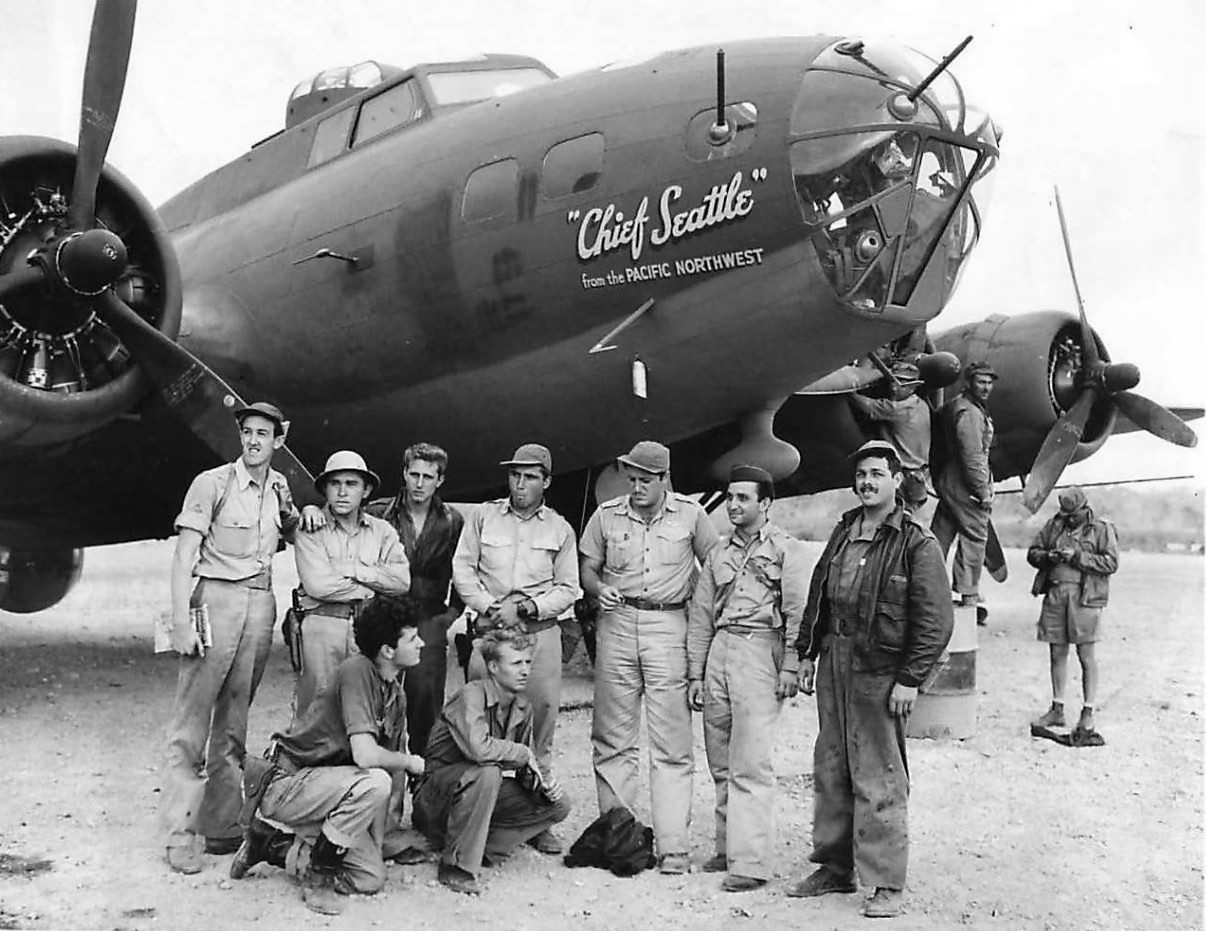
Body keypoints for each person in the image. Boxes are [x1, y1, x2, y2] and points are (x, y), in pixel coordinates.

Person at [788, 440, 953, 919]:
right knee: (832, 767)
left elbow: (936, 621)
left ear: (897, 480)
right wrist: (806, 653)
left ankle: (886, 881)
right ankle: (835, 867)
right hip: (835, 662)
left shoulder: (916, 542)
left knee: (879, 774)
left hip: (880, 671)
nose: (866, 482)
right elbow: (819, 593)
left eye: (877, 474)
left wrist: (910, 679)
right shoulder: (844, 530)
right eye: (861, 474)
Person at [161, 401, 300, 873]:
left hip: (260, 602)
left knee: (235, 719)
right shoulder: (213, 483)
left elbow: (292, 530)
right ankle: (180, 832)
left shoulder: (279, 487)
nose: (254, 441)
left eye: (263, 433)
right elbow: (184, 556)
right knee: (192, 720)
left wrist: (306, 513)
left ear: (279, 440)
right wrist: (181, 620)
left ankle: (220, 824)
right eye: (248, 432)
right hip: (216, 598)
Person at [229, 596, 428, 915]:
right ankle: (318, 877)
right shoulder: (357, 671)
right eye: (412, 638)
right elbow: (366, 757)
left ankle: (269, 845)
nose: (422, 643)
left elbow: (386, 779)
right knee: (374, 780)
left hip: (333, 794)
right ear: (388, 651)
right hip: (289, 784)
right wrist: (410, 762)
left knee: (370, 877)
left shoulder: (395, 694)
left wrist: (376, 845)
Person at [579, 440, 720, 875]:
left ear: (664, 479)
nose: (636, 487)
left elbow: (716, 568)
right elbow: (587, 567)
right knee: (612, 738)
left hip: (669, 625)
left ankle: (674, 846)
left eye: (645, 480)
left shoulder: (691, 516)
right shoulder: (606, 516)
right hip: (617, 624)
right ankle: (620, 840)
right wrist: (599, 589)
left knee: (671, 742)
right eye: (632, 479)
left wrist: (703, 616)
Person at [686, 465, 807, 892]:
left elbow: (797, 612)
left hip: (759, 651)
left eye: (743, 498)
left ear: (765, 504)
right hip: (721, 650)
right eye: (730, 497)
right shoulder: (718, 554)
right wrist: (696, 673)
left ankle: (751, 863)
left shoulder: (786, 549)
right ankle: (726, 848)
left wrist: (790, 665)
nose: (733, 505)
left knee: (751, 761)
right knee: (720, 759)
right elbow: (701, 615)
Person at [452, 442, 578, 853]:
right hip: (491, 631)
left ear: (546, 482)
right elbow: (463, 568)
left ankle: (536, 817)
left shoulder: (559, 529)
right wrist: (490, 607)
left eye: (530, 477)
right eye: (514, 475)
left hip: (539, 632)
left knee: (539, 724)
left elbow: (568, 587)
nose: (520, 484)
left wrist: (525, 607)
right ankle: (476, 814)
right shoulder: (483, 517)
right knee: (481, 721)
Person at [412, 627, 572, 895]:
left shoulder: (522, 705)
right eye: (516, 663)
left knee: (558, 805)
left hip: (475, 794)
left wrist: (541, 785)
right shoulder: (471, 695)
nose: (525, 670)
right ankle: (456, 867)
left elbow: (525, 768)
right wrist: (522, 754)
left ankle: (482, 846)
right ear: (494, 668)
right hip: (435, 798)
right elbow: (479, 750)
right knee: (488, 773)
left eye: (528, 662)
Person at [292, 450, 410, 720]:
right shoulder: (311, 528)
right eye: (335, 484)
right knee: (316, 709)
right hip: (323, 626)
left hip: (368, 627)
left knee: (367, 706)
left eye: (351, 484)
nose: (342, 492)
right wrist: (372, 585)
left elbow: (402, 581)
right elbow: (319, 586)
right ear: (325, 489)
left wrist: (353, 570)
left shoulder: (382, 531)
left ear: (365, 490)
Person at [366, 442, 464, 756]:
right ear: (404, 474)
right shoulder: (379, 513)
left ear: (440, 480)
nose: (419, 484)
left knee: (426, 705)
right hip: (386, 618)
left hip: (430, 621)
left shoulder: (452, 521)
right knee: (378, 703)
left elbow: (464, 568)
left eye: (428, 477)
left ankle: (424, 776)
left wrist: (451, 614)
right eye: (414, 475)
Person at [1026, 486, 1119, 740]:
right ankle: (1057, 709)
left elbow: (1111, 563)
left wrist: (1077, 556)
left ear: (1084, 509)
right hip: (1056, 595)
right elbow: (1033, 553)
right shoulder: (1054, 525)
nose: (1068, 519)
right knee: (1056, 652)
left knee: (1086, 655)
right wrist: (1050, 557)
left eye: (1072, 515)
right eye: (1065, 515)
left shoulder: (1101, 529)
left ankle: (1088, 712)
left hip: (1085, 598)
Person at [931, 360, 998, 609]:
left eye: (990, 382)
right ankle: (968, 596)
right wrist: (983, 492)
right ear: (969, 383)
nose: (986, 387)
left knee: (940, 535)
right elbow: (972, 457)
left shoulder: (956, 405)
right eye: (981, 382)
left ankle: (926, 586)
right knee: (975, 535)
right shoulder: (969, 413)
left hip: (949, 480)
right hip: (964, 483)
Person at [849, 360, 932, 510]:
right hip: (918, 473)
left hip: (906, 475)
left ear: (912, 388)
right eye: (892, 382)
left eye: (901, 384)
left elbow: (866, 406)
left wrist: (848, 390)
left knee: (893, 515)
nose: (893, 388)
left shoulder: (897, 409)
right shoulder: (921, 404)